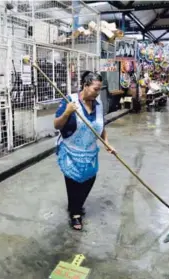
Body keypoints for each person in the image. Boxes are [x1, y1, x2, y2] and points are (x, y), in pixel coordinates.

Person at [54, 71, 115, 230]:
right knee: (73, 183)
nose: (97, 92)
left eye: (99, 89)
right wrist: (67, 113)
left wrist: (107, 143)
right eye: (95, 89)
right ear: (85, 86)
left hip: (90, 152)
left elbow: (100, 127)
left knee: (89, 179)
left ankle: (75, 205)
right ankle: (75, 214)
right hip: (71, 151)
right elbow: (57, 125)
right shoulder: (70, 101)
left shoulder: (99, 104)